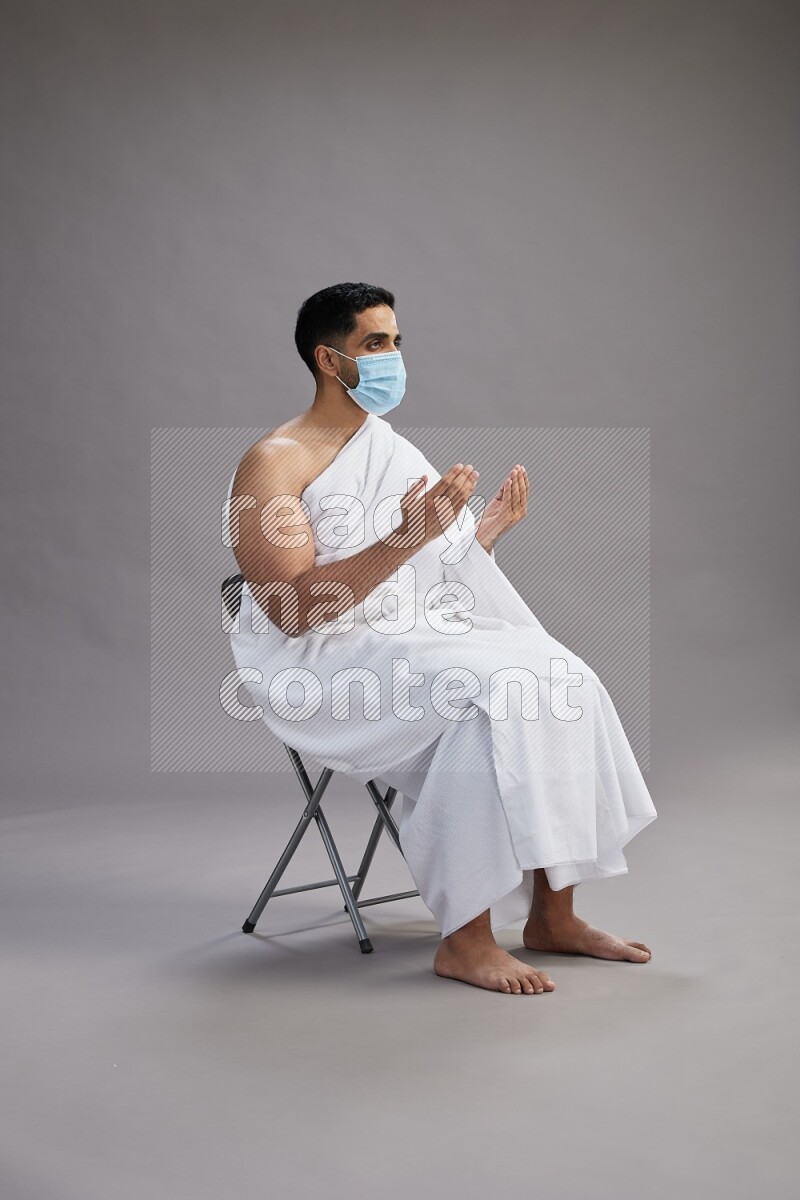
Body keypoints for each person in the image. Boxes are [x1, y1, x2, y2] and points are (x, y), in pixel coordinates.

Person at [224, 282, 657, 995]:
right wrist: (406, 537)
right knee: (481, 695)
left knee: (561, 674)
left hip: (406, 637)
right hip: (321, 660)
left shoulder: (386, 447)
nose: (393, 357)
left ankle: (555, 915)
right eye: (374, 344)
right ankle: (465, 940)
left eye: (396, 341)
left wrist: (475, 539)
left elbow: (428, 578)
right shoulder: (273, 462)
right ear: (329, 360)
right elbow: (293, 612)